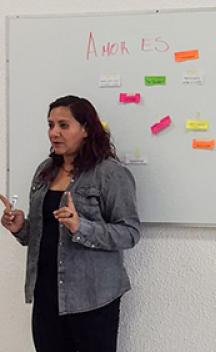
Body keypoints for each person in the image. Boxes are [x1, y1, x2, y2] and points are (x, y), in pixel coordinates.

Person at [0, 95, 141, 352]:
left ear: (86, 129)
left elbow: (129, 233)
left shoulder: (110, 173)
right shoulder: (45, 171)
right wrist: (20, 227)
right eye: (50, 125)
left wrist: (80, 227)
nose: (54, 132)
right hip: (47, 293)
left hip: (92, 298)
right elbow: (42, 234)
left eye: (63, 125)